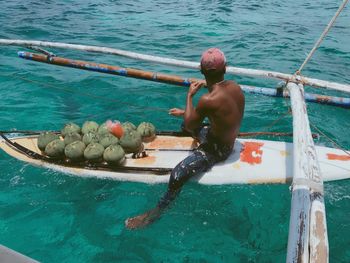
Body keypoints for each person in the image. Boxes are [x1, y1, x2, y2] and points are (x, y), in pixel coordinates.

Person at [125, 48, 245, 229]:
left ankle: (156, 213)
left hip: (217, 149)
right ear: (225, 69)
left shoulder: (207, 99)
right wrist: (188, 114)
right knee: (187, 122)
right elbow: (219, 112)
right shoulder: (235, 87)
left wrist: (189, 96)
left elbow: (190, 125)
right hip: (228, 140)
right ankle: (194, 124)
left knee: (177, 174)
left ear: (201, 71)